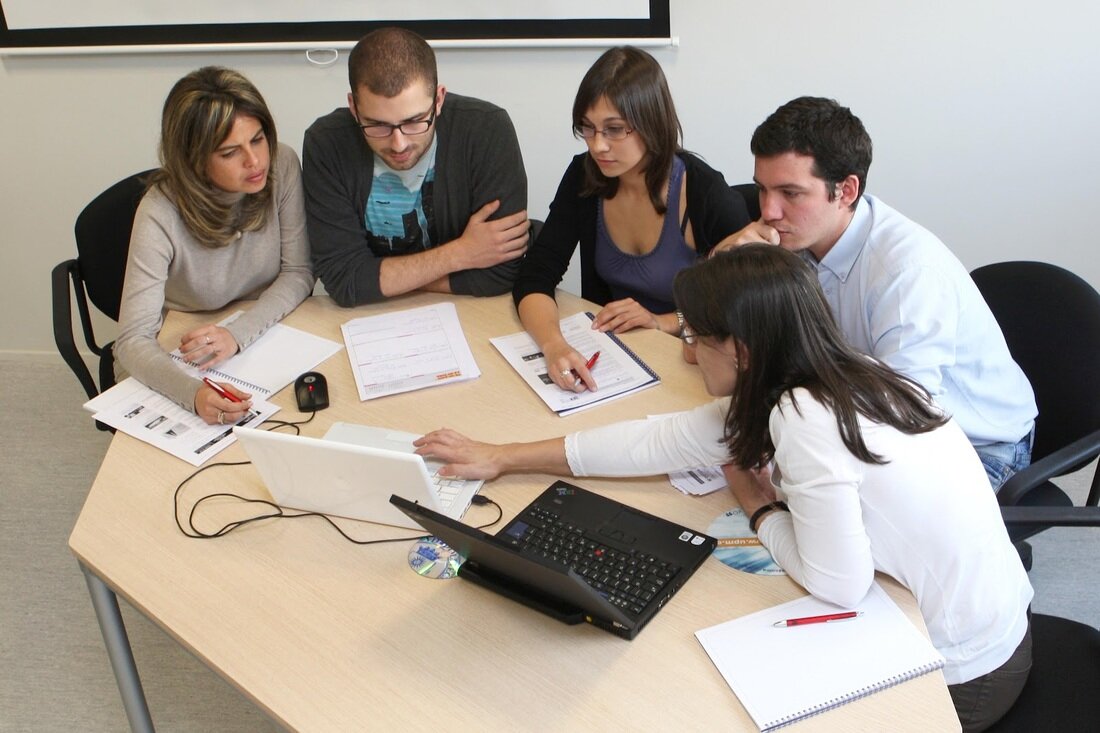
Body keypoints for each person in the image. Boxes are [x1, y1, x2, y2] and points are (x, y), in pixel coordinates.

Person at [415, 246, 1033, 731]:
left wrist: (759, 504)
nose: (686, 350)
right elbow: (654, 443)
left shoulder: (804, 416)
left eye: (691, 334)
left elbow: (840, 584)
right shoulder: (843, 374)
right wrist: (502, 457)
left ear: (740, 348)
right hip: (981, 618)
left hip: (960, 675)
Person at [717, 96, 1036, 490]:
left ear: (846, 190)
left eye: (790, 193)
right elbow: (707, 348)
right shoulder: (798, 241)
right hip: (866, 416)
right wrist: (728, 260)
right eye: (762, 190)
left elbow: (908, 420)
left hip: (974, 445)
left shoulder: (907, 274)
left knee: (831, 526)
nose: (769, 211)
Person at [511, 46, 750, 393]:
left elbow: (745, 305)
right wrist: (554, 345)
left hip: (692, 368)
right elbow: (537, 273)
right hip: (615, 361)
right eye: (588, 129)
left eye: (614, 129)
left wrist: (662, 321)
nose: (598, 146)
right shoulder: (584, 175)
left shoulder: (703, 191)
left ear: (651, 124)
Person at [115, 66, 315, 426]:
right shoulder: (159, 211)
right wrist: (194, 395)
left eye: (257, 139)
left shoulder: (281, 165)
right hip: (183, 340)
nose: (255, 162)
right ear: (194, 160)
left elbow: (299, 272)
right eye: (229, 152)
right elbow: (131, 340)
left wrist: (236, 335)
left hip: (261, 330)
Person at [303, 27, 529, 306]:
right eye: (377, 125)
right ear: (353, 107)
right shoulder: (326, 143)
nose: (398, 144)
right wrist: (460, 253)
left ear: (438, 99)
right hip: (369, 319)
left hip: (468, 311)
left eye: (414, 121)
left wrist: (381, 277)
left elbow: (501, 273)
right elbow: (344, 281)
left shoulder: (487, 129)